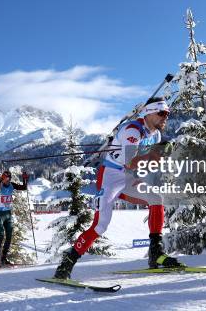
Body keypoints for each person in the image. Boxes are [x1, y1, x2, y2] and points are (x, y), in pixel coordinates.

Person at [54, 97, 185, 279]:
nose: (166, 117)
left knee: (157, 199)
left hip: (128, 177)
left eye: (168, 114)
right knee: (100, 225)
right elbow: (131, 162)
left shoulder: (155, 133)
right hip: (110, 176)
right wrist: (154, 155)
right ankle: (68, 260)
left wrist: (163, 147)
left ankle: (156, 253)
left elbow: (150, 156)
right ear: (149, 113)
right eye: (161, 113)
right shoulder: (132, 130)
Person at [0, 170, 29, 268]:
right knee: (0, 236)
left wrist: (24, 179)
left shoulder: (11, 185)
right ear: (3, 178)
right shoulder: (0, 185)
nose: (8, 180)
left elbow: (24, 187)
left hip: (8, 214)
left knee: (9, 236)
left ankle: (3, 259)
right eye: (6, 178)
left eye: (9, 178)